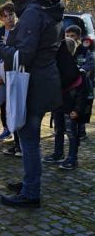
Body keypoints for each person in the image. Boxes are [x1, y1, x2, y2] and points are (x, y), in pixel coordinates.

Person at [0, 0, 64, 208]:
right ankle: (28, 182)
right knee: (29, 138)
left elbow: (22, 56)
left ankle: (31, 192)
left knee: (29, 140)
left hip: (32, 84)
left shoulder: (34, 12)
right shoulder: (49, 8)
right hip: (45, 81)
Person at [44, 38, 91, 169]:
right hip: (58, 106)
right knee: (58, 130)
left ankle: (72, 158)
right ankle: (58, 153)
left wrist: (77, 110)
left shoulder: (78, 72)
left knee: (71, 133)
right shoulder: (57, 68)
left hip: (71, 108)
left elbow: (82, 94)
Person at [0, 2, 16, 141]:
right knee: (4, 102)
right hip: (2, 72)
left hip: (16, 71)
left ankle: (17, 131)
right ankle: (6, 129)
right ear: (1, 19)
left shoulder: (20, 30)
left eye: (11, 15)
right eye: (6, 16)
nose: (9, 18)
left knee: (16, 102)